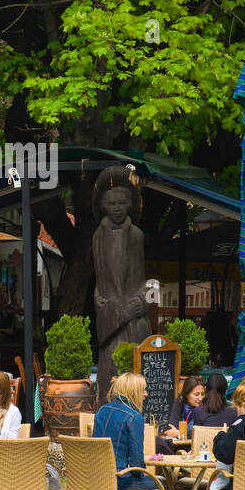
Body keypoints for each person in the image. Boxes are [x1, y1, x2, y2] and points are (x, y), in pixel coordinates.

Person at [91, 167, 151, 402]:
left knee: (134, 373)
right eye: (111, 203)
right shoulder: (98, 236)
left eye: (122, 202)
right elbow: (99, 278)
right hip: (110, 317)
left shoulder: (136, 235)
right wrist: (101, 302)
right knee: (109, 371)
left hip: (133, 319)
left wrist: (142, 301)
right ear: (103, 206)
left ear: (130, 205)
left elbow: (143, 279)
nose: (116, 208)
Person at [92, 372, 160, 490]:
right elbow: (137, 462)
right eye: (143, 390)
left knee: (141, 489)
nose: (146, 394)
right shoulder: (134, 417)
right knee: (157, 489)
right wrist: (143, 474)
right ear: (134, 391)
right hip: (119, 479)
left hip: (98, 480)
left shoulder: (101, 411)